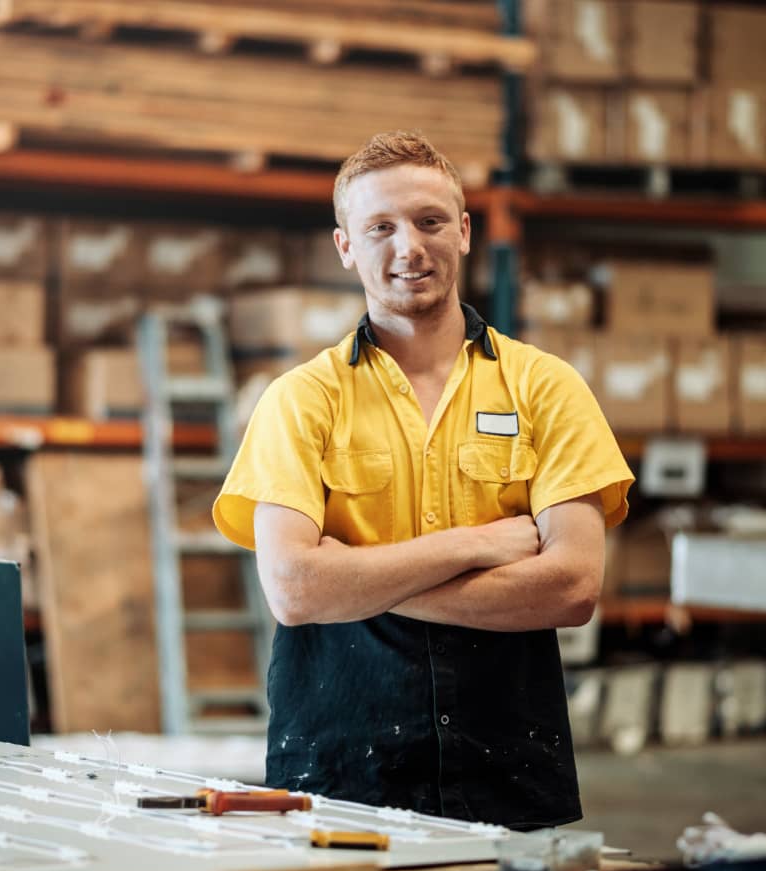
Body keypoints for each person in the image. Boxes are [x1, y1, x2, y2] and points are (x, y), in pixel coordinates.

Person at [212, 131, 633, 830]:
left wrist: (357, 579)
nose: (408, 247)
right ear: (346, 246)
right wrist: (474, 546)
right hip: (341, 767)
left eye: (430, 221)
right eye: (380, 227)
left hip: (505, 761)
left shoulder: (545, 388)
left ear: (464, 232)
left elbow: (573, 587)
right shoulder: (301, 399)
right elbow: (294, 589)